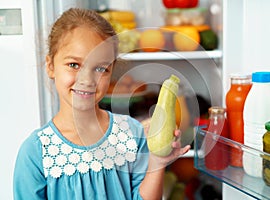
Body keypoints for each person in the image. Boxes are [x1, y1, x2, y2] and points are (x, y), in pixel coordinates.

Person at [13, 8, 190, 200]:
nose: (87, 79)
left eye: (100, 68)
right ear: (50, 66)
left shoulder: (131, 132)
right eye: (74, 65)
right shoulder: (36, 151)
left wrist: (157, 162)